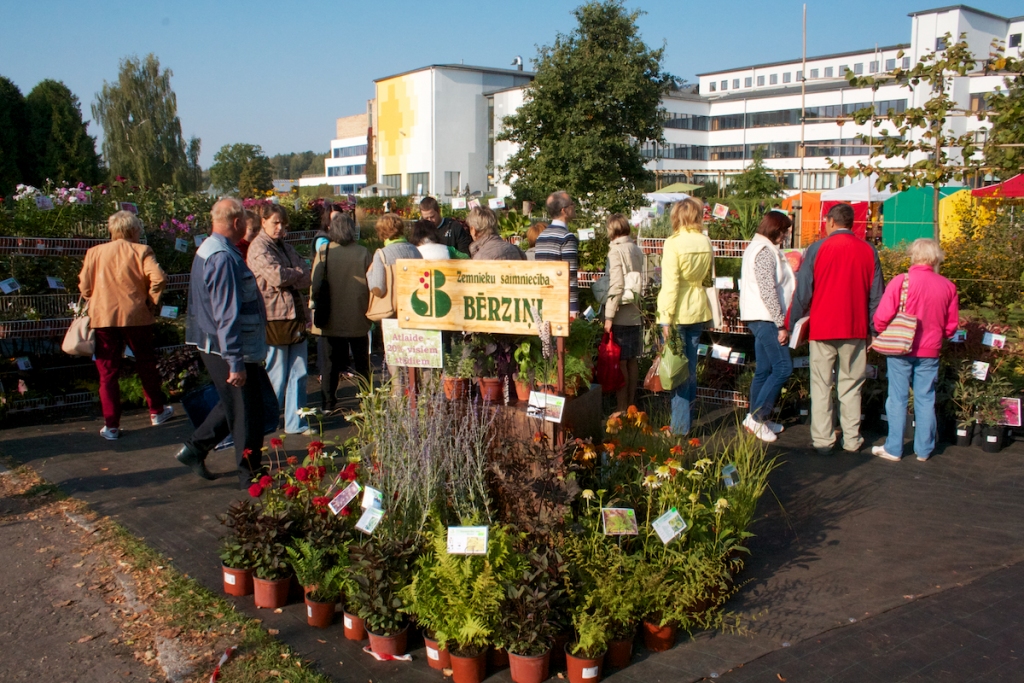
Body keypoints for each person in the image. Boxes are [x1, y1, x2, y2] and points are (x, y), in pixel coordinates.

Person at [177, 198, 270, 486]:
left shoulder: (210, 248)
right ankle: (249, 473)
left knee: (237, 403)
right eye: (245, 221)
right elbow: (226, 314)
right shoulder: (223, 257)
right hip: (226, 347)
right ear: (236, 223)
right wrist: (235, 362)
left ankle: (195, 449)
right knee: (247, 411)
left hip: (217, 344)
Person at [788, 203, 884, 454]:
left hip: (822, 327)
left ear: (830, 222)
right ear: (852, 223)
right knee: (851, 385)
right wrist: (874, 329)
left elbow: (803, 291)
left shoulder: (817, 249)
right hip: (855, 327)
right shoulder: (869, 250)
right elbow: (877, 295)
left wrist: (793, 324)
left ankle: (823, 440)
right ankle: (851, 439)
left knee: (821, 385)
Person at [78, 210, 171, 440]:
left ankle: (111, 425)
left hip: (104, 318)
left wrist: (94, 296)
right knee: (145, 364)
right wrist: (150, 300)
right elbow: (158, 278)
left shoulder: (94, 253)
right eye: (138, 228)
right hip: (136, 317)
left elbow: (85, 286)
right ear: (133, 230)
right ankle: (156, 411)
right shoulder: (141, 251)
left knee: (107, 372)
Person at [871, 239, 958, 462]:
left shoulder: (902, 281)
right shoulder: (948, 286)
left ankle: (894, 448)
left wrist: (881, 331)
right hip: (930, 351)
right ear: (936, 258)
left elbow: (882, 316)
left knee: (897, 398)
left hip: (901, 348)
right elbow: (951, 327)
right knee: (926, 398)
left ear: (913, 255)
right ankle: (924, 450)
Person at [248, 204, 313, 435]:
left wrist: (293, 273)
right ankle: (269, 421)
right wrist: (295, 272)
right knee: (276, 373)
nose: (280, 227)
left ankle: (296, 422)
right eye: (275, 222)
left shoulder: (284, 246)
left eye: (283, 223)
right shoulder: (258, 248)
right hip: (273, 317)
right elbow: (276, 276)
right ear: (263, 221)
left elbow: (308, 275)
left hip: (294, 315)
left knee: (299, 371)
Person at [739, 210, 797, 443]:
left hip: (760, 316)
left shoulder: (758, 247)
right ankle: (757, 417)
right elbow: (768, 290)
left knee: (764, 368)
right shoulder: (764, 251)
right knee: (783, 367)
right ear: (776, 230)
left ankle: (756, 417)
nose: (785, 236)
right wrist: (781, 323)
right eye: (784, 231)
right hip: (765, 317)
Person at [657, 198, 713, 436]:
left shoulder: (673, 243)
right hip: (698, 308)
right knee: (690, 369)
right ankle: (685, 421)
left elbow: (670, 285)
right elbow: (707, 278)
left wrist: (665, 318)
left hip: (678, 311)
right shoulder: (705, 241)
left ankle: (679, 428)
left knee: (676, 371)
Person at [310, 213, 372, 411]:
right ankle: (366, 399)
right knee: (362, 362)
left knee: (330, 364)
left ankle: (328, 403)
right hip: (357, 314)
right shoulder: (363, 253)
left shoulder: (325, 250)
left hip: (330, 316)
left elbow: (315, 283)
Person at [603, 214, 645, 412]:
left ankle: (621, 408)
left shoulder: (615, 251)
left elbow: (616, 284)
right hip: (636, 310)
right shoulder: (636, 249)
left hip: (620, 312)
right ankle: (631, 404)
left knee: (620, 361)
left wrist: (609, 315)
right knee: (632, 360)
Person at [535, 192, 580, 317]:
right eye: (572, 204)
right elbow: (570, 276)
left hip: (544, 300)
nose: (574, 206)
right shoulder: (567, 237)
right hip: (561, 303)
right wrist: (573, 308)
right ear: (564, 210)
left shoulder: (541, 236)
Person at [367, 213, 422, 311]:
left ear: (382, 232)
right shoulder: (415, 250)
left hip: (393, 311)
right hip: (414, 308)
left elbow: (378, 289)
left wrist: (369, 274)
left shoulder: (381, 254)